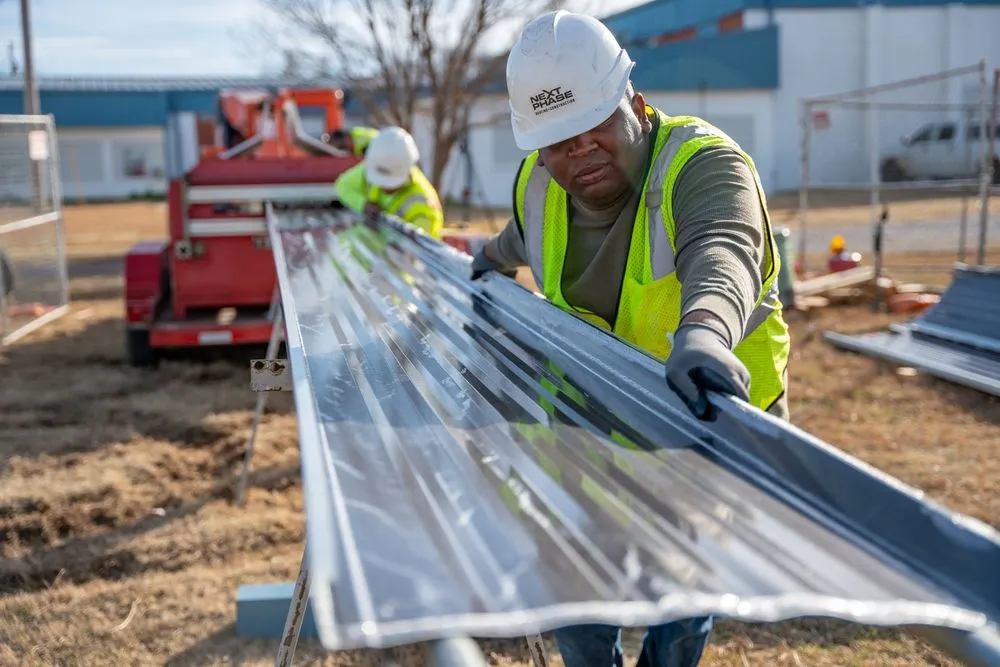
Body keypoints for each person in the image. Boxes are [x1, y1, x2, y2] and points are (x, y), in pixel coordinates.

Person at [470, 10, 792, 666]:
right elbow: (522, 236)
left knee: (684, 594)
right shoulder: (539, 185)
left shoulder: (700, 164)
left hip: (699, 421)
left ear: (635, 104)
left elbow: (722, 244)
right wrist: (489, 258)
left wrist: (704, 330)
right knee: (574, 579)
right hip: (596, 430)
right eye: (558, 141)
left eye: (595, 129)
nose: (579, 153)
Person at [333, 126, 444, 239]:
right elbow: (342, 185)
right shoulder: (376, 166)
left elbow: (418, 252)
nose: (383, 186)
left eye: (389, 183)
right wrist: (364, 205)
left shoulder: (423, 208)